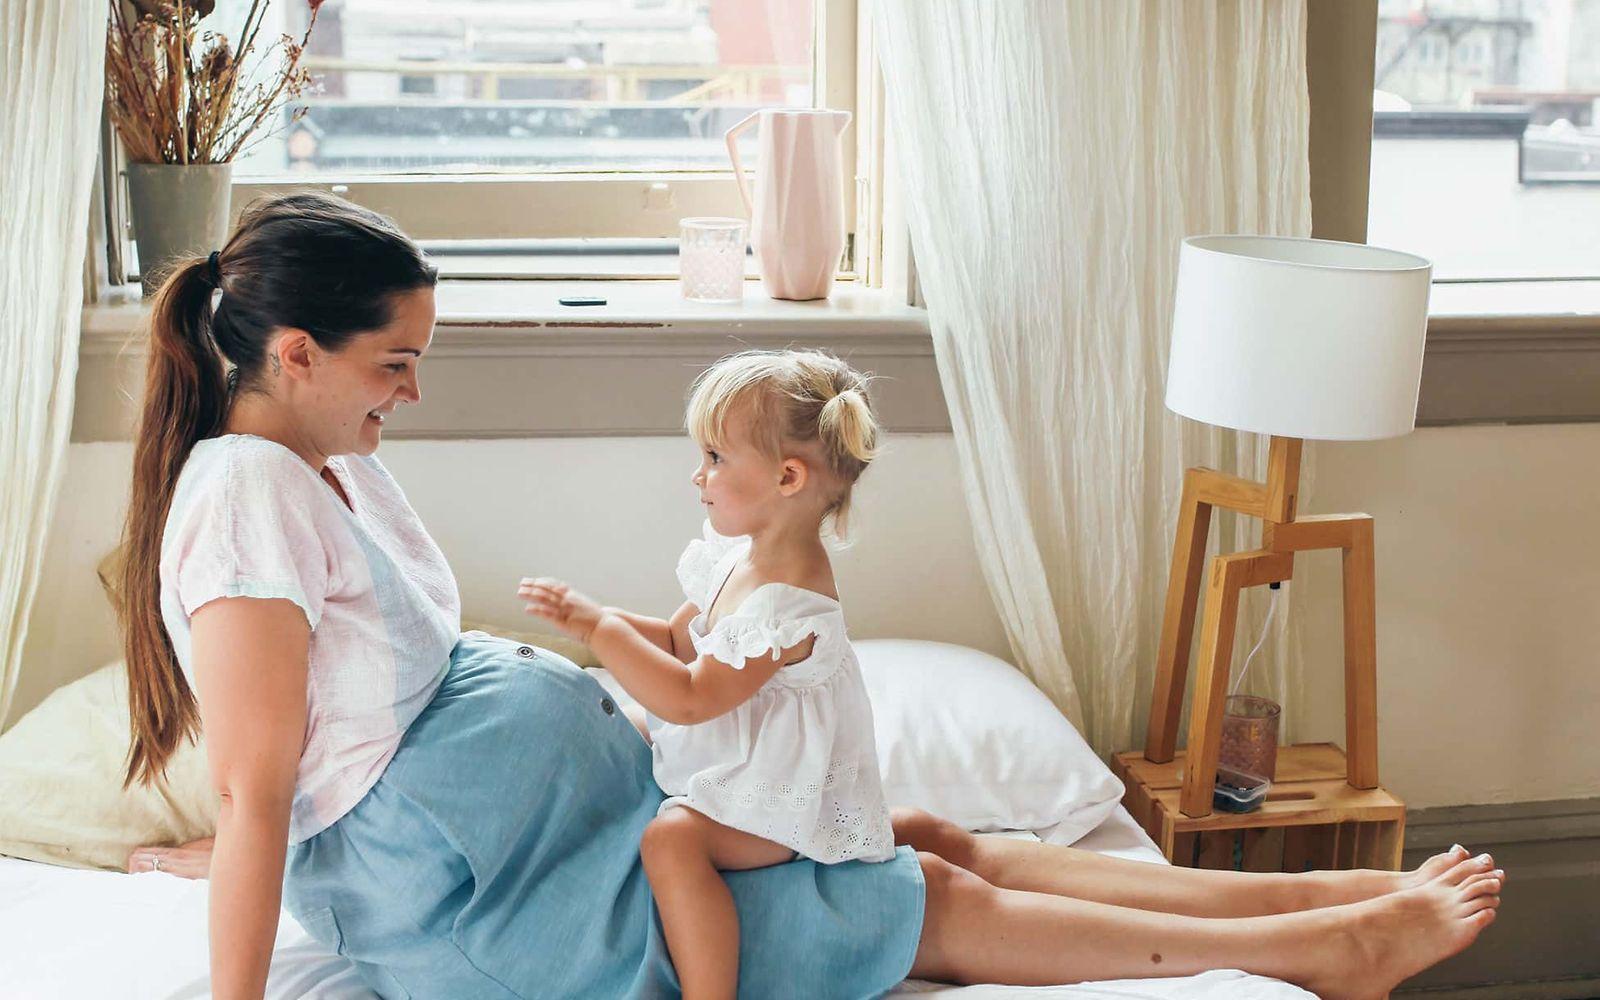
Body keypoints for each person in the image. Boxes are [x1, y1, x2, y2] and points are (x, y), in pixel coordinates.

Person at [122, 191, 1501, 1000]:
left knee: (925, 829)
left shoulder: (313, 464)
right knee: (912, 897)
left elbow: (310, 747)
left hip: (558, 833)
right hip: (519, 903)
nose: (414, 390)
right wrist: (260, 893)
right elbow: (261, 788)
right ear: (295, 355)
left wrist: (291, 845)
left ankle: (1301, 892)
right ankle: (1337, 943)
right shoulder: (247, 495)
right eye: (394, 365)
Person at [520, 350, 896, 999]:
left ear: (786, 478)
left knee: (673, 843)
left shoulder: (788, 604)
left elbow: (694, 698)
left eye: (716, 460)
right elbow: (676, 640)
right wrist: (595, 617)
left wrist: (598, 632)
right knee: (623, 725)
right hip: (732, 755)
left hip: (776, 802)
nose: (699, 477)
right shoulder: (741, 557)